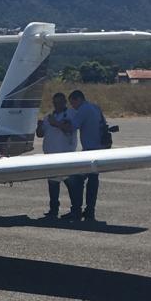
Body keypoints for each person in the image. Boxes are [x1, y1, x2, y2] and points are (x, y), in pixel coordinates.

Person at [66, 88, 109, 223]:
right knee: (93, 181)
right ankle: (89, 210)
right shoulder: (95, 107)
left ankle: (77, 210)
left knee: (76, 179)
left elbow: (73, 126)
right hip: (100, 147)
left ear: (78, 99)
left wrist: (56, 123)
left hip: (90, 150)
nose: (73, 107)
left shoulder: (83, 109)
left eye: (73, 104)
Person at [36, 92, 79, 220]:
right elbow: (40, 134)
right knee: (53, 185)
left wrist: (56, 124)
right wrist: (39, 127)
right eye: (55, 102)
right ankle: (53, 210)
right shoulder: (48, 116)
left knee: (71, 184)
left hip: (66, 155)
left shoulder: (71, 114)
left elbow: (69, 129)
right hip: (51, 156)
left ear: (65, 102)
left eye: (60, 102)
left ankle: (76, 210)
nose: (57, 104)